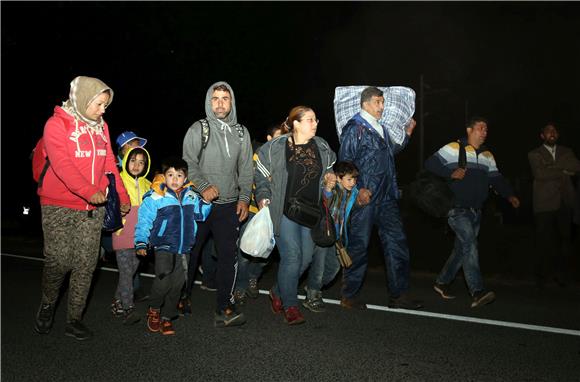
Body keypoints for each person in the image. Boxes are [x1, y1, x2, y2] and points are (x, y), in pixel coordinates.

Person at [34, 76, 130, 340]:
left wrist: (121, 195)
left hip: (93, 207)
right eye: (99, 105)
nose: (102, 111)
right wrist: (89, 191)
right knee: (59, 260)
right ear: (83, 100)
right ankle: (48, 302)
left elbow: (110, 162)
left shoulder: (102, 127)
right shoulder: (55, 125)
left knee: (86, 264)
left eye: (105, 106)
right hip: (59, 204)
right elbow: (62, 165)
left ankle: (74, 319)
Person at [338, 86, 420, 310]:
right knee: (359, 245)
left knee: (397, 243)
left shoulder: (381, 128)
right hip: (365, 197)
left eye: (383, 102)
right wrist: (359, 190)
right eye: (377, 102)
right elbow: (344, 163)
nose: (382, 106)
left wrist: (408, 134)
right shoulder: (355, 128)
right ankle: (349, 294)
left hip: (386, 197)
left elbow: (389, 152)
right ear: (365, 103)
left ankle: (399, 295)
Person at [425, 116, 520, 307]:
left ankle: (442, 282)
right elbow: (430, 164)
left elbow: (497, 179)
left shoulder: (487, 155)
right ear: (469, 130)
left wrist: (510, 195)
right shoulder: (454, 148)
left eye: (486, 129)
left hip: (477, 211)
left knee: (462, 250)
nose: (484, 132)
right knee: (470, 244)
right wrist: (450, 173)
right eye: (480, 128)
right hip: (455, 209)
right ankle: (477, 291)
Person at [255, 106, 337, 325]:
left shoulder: (322, 147)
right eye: (310, 119)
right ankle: (291, 306)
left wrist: (329, 183)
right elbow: (261, 177)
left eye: (316, 119)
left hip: (311, 212)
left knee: (306, 259)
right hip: (283, 209)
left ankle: (277, 291)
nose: (315, 123)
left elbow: (326, 179)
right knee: (292, 256)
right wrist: (263, 197)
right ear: (296, 124)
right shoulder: (274, 148)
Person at [182, 81, 253, 327]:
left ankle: (223, 307)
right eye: (216, 98)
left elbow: (246, 169)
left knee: (227, 256)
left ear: (231, 101)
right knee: (191, 253)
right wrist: (203, 186)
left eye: (225, 98)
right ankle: (182, 295)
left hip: (228, 205)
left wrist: (244, 198)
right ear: (208, 102)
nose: (220, 103)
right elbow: (188, 163)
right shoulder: (198, 128)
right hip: (199, 204)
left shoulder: (242, 133)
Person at [135, 157, 212, 335]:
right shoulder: (156, 196)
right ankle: (154, 309)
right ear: (164, 176)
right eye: (170, 175)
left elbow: (201, 215)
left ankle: (167, 317)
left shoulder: (191, 195)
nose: (175, 179)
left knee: (178, 284)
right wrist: (141, 241)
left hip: (184, 248)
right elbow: (144, 219)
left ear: (185, 178)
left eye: (179, 175)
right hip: (164, 246)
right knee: (163, 282)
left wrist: (207, 202)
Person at [233, 123, 285, 305]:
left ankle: (252, 278)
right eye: (279, 136)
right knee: (245, 251)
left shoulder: (286, 157)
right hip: (255, 211)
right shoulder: (259, 155)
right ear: (269, 139)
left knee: (266, 252)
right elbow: (255, 180)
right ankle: (239, 287)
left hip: (275, 213)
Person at [302, 161, 360, 313]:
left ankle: (313, 287)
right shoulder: (335, 190)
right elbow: (325, 198)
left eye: (354, 179)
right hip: (324, 234)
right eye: (349, 179)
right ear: (339, 179)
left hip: (337, 238)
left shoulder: (352, 193)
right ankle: (312, 296)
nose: (353, 182)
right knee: (319, 267)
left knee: (333, 268)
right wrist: (328, 187)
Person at [528, 123, 580, 288]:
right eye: (548, 131)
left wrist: (551, 167)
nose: (552, 133)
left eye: (555, 131)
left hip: (565, 202)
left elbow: (576, 167)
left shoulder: (567, 151)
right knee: (543, 240)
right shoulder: (534, 153)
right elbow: (540, 173)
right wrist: (563, 170)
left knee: (565, 240)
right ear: (542, 135)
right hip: (544, 203)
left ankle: (562, 275)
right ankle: (541, 276)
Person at [110, 147, 151, 325]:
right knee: (126, 272)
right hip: (122, 233)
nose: (136, 165)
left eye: (141, 162)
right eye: (133, 160)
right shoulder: (119, 181)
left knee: (130, 271)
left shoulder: (148, 184)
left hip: (140, 236)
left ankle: (117, 301)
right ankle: (128, 308)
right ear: (126, 161)